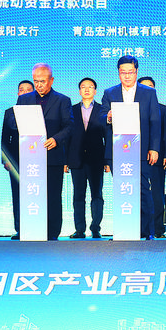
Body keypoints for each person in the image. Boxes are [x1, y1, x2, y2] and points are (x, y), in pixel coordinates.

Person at [100, 55, 162, 239]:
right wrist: (108, 117)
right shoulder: (110, 93)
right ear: (118, 73)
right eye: (123, 72)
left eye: (131, 72)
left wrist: (154, 148)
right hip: (118, 150)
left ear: (136, 72)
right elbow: (100, 118)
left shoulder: (148, 93)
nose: (127, 76)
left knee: (142, 190)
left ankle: (147, 231)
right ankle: (124, 230)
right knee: (123, 190)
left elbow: (155, 121)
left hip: (141, 150)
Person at [15, 64, 72, 241]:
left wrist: (56, 139)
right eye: (36, 81)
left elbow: (69, 126)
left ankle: (52, 233)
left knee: (53, 196)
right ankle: (31, 229)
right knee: (31, 194)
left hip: (52, 156)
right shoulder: (24, 100)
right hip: (30, 157)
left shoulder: (62, 100)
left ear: (51, 80)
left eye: (43, 81)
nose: (39, 85)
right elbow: (17, 124)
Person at [68, 77, 106, 239]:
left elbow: (107, 136)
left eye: (90, 87)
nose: (87, 89)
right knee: (78, 196)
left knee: (96, 194)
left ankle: (95, 227)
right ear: (79, 91)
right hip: (76, 159)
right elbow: (67, 136)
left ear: (95, 91)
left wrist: (107, 160)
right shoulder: (71, 110)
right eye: (83, 87)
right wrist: (66, 160)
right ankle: (79, 229)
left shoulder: (102, 110)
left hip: (96, 159)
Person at [139, 77, 166, 238]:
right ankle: (140, 228)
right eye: (144, 87)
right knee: (139, 193)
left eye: (151, 87)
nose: (148, 90)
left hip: (157, 157)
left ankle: (158, 229)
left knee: (157, 193)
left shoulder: (163, 109)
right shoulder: (131, 108)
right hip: (135, 157)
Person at [1, 80, 34, 240]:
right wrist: (5, 159)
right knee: (18, 193)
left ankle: (36, 226)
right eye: (22, 90)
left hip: (36, 158)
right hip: (15, 159)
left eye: (29, 90)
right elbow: (5, 138)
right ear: (18, 93)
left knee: (34, 191)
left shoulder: (40, 110)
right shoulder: (10, 112)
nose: (25, 92)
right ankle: (20, 228)